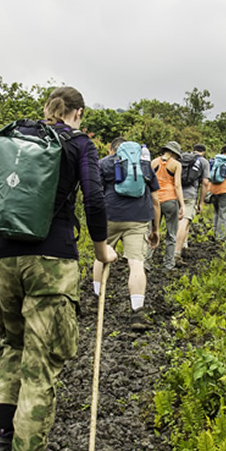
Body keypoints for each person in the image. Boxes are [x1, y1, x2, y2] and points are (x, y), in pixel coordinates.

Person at [0, 86, 117, 451]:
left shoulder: (16, 140)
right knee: (40, 367)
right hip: (50, 259)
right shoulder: (79, 143)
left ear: (47, 110)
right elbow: (92, 198)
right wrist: (101, 249)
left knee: (12, 348)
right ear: (77, 112)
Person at [92, 137, 160, 330]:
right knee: (136, 262)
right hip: (138, 219)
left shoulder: (104, 163)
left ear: (112, 149)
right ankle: (137, 312)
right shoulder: (145, 165)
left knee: (100, 257)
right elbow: (156, 200)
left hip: (110, 216)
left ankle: (98, 299)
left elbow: (95, 193)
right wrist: (155, 229)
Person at [146, 141, 185, 271]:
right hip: (170, 200)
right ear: (175, 153)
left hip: (155, 200)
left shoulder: (153, 162)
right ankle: (168, 264)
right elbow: (177, 185)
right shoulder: (176, 165)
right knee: (171, 234)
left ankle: (146, 262)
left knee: (152, 231)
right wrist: (182, 205)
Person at [174, 144, 210, 264]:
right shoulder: (203, 162)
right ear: (203, 152)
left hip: (175, 193)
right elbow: (205, 183)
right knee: (184, 222)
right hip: (190, 195)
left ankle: (185, 246)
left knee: (184, 221)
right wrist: (201, 201)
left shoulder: (182, 156)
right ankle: (176, 253)